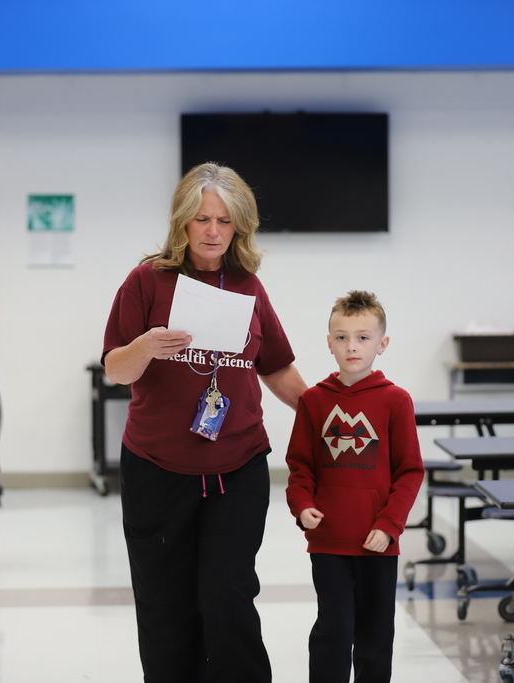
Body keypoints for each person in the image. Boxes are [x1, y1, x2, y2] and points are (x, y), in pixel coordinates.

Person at [102, 162, 307, 683]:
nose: (212, 231)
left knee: (228, 591)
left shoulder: (247, 286)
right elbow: (115, 369)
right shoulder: (148, 279)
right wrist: (146, 345)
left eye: (223, 220)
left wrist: (325, 414)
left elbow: (277, 367)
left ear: (239, 225)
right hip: (157, 468)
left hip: (236, 466)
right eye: (201, 220)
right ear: (182, 223)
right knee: (165, 602)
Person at [285, 291, 424, 683]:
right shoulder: (313, 401)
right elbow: (300, 467)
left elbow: (410, 472)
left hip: (378, 542)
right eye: (342, 337)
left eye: (363, 337)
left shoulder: (396, 401)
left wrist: (389, 525)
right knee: (334, 629)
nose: (352, 346)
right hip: (328, 540)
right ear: (328, 342)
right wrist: (302, 506)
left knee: (376, 636)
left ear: (383, 343)